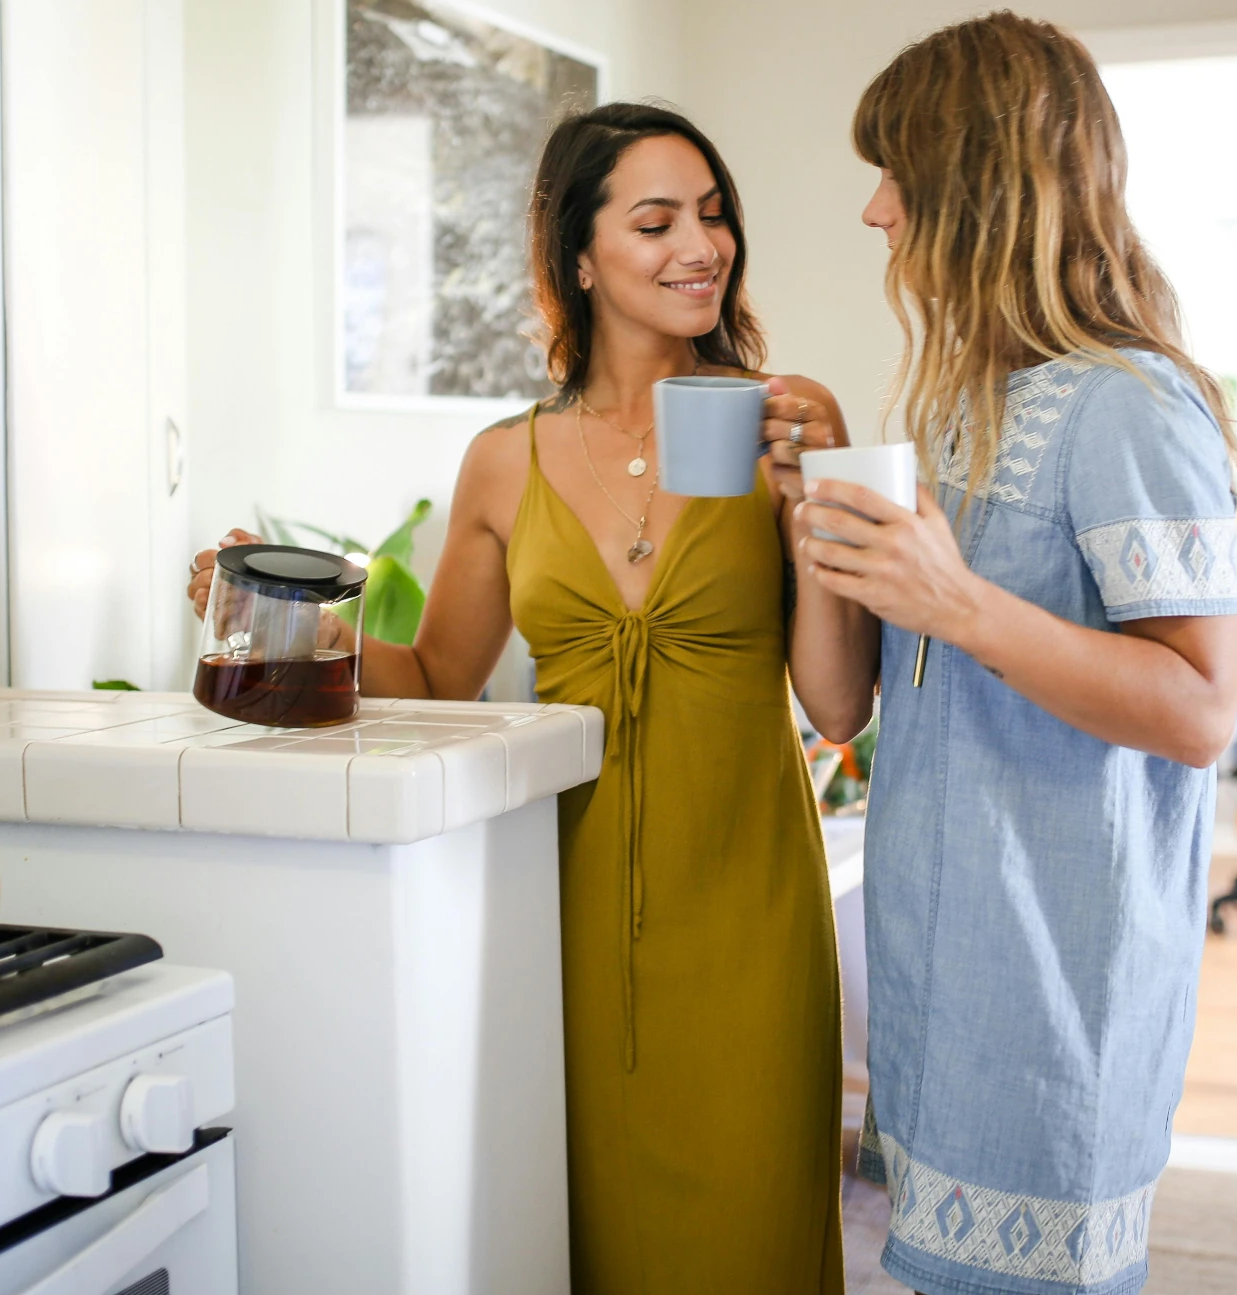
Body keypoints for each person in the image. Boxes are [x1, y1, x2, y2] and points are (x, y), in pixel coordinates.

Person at [189, 103, 861, 1295]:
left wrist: (818, 504)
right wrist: (300, 620)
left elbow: (837, 699)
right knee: (582, 1239)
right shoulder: (505, 458)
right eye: (655, 221)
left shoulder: (779, 425)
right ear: (580, 256)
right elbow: (436, 677)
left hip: (750, 904)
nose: (699, 245)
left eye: (712, 216)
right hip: (561, 908)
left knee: (751, 1241)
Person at [788, 13, 1237, 1295]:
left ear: (977, 187)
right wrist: (820, 492)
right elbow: (842, 703)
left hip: (1064, 981)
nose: (876, 212)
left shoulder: (1132, 403)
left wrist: (961, 605)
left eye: (896, 175)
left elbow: (1199, 709)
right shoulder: (955, 411)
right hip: (943, 966)